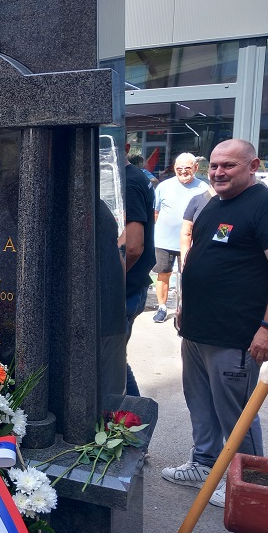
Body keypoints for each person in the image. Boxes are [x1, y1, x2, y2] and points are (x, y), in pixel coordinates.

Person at [162, 139, 268, 508]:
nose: (218, 173)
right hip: (197, 330)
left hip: (236, 336)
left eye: (228, 165)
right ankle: (204, 464)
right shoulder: (213, 203)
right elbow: (199, 255)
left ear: (253, 165)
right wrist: (184, 306)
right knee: (201, 405)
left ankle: (248, 486)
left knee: (237, 414)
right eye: (214, 166)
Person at [152, 152, 208, 323]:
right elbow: (156, 212)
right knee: (163, 273)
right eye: (179, 168)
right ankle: (162, 307)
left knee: (190, 275)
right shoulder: (164, 186)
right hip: (164, 240)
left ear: (196, 168)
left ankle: (186, 308)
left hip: (192, 241)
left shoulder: (205, 188)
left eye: (187, 168)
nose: (183, 171)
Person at [121, 153, 156, 396]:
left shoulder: (129, 181)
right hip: (132, 287)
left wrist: (110, 283)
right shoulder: (135, 176)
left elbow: (133, 246)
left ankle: (135, 421)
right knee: (113, 360)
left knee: (111, 362)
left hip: (125, 290)